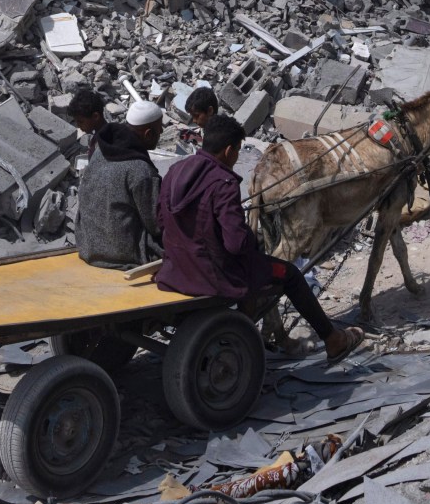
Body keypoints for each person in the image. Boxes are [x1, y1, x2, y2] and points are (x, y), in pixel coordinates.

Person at [155, 116, 363, 362]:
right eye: (238, 152)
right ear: (229, 150)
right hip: (212, 275)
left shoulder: (175, 170)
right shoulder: (223, 182)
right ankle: (333, 340)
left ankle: (260, 332)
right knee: (290, 274)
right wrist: (250, 242)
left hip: (174, 269)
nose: (236, 158)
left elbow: (160, 221)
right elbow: (235, 244)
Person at [75, 100, 164, 268]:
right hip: (122, 254)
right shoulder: (141, 170)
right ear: (148, 134)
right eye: (159, 129)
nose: (161, 132)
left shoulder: (101, 150)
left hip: (88, 247)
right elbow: (157, 225)